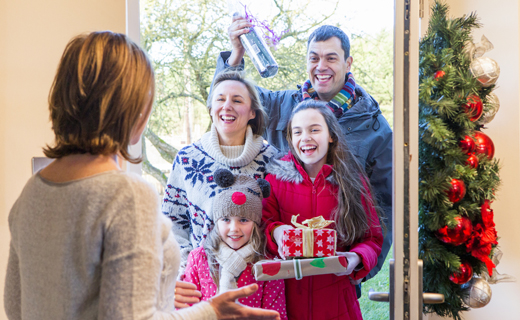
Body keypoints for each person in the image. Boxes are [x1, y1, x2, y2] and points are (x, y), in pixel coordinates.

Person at [4, 31, 280, 320]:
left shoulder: (33, 191)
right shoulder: (126, 195)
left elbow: (15, 307)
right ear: (131, 106)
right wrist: (210, 311)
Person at [212, 21, 393, 285]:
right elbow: (228, 102)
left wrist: (359, 270)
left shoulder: (374, 128)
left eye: (331, 58)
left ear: (348, 62)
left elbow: (384, 208)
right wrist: (236, 56)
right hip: (281, 280)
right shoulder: (280, 106)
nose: (321, 66)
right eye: (314, 58)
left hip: (337, 276)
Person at [262, 100, 384, 320]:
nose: (305, 138)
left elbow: (373, 240)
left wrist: (355, 258)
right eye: (297, 132)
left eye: (314, 129)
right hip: (286, 303)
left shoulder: (352, 181)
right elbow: (262, 227)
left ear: (331, 135)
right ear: (291, 138)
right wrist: (277, 233)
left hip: (338, 303)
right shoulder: (275, 180)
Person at [162, 70, 278, 276]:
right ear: (211, 109)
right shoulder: (188, 159)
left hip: (259, 281)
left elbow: (277, 219)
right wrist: (189, 267)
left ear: (253, 112)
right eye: (220, 99)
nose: (227, 106)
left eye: (237, 100)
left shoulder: (272, 160)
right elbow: (171, 222)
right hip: (200, 281)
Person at [183, 169, 287, 319]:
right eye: (226, 219)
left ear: (255, 224)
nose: (234, 228)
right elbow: (187, 310)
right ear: (216, 222)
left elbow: (276, 315)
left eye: (243, 220)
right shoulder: (199, 258)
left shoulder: (268, 265)